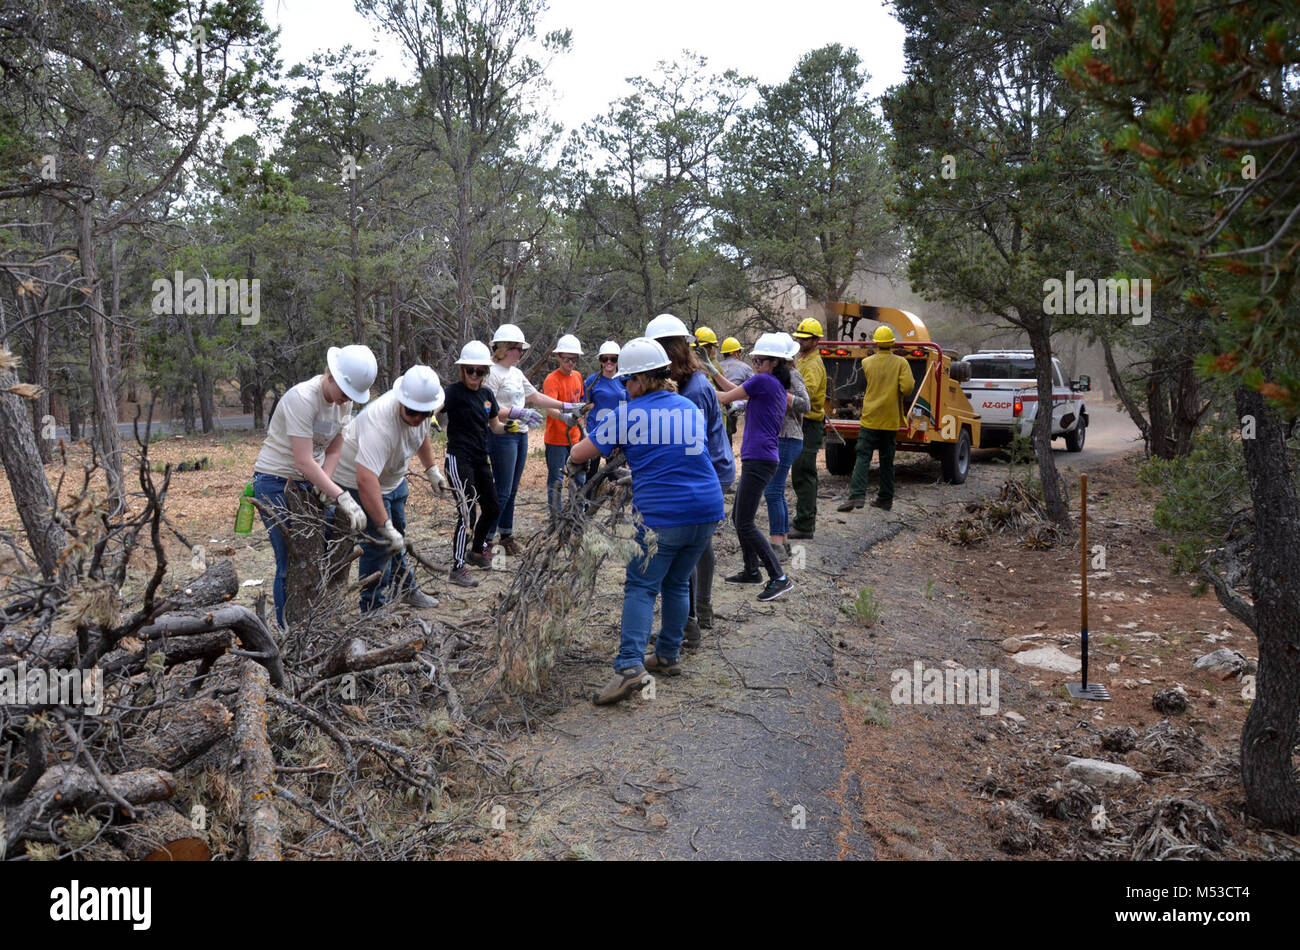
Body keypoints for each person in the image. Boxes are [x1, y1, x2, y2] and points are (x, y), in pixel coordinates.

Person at [567, 338, 724, 706]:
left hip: (663, 516)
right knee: (676, 581)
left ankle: (629, 668)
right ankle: (668, 655)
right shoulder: (688, 407)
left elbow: (579, 452)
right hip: (706, 510)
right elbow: (683, 457)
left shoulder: (626, 414)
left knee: (640, 587)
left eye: (627, 381)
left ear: (638, 380)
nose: (625, 387)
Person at [252, 344, 377, 629]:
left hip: (311, 481)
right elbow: (304, 461)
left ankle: (316, 622)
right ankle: (290, 631)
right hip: (276, 482)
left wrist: (326, 483)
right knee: (292, 560)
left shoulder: (345, 402)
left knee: (321, 553)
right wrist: (341, 496)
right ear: (331, 375)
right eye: (345, 392)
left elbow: (334, 447)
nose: (346, 400)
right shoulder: (303, 398)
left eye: (352, 396)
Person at [646, 313, 735, 643]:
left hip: (711, 469)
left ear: (669, 353)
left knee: (691, 543)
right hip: (706, 467)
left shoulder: (694, 390)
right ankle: (697, 612)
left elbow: (690, 446)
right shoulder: (685, 383)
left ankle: (692, 618)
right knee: (700, 542)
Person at [333, 365, 447, 612]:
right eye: (413, 412)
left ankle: (405, 588)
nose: (418, 418)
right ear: (401, 401)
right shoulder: (379, 424)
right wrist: (384, 525)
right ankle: (372, 608)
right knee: (379, 543)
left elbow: (422, 434)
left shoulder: (422, 409)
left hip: (393, 477)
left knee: (398, 535)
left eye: (424, 413)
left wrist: (431, 470)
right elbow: (365, 480)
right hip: (357, 479)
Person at [702, 334, 796, 602]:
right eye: (754, 359)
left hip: (760, 459)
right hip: (761, 458)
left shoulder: (764, 380)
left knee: (744, 522)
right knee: (739, 519)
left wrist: (699, 382)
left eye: (761, 360)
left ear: (775, 362)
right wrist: (711, 370)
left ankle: (778, 577)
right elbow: (734, 390)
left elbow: (724, 397)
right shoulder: (772, 383)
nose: (756, 363)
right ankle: (751, 570)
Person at [484, 323, 583, 555]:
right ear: (506, 348)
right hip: (502, 434)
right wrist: (515, 412)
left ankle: (506, 535)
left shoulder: (516, 374)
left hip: (520, 434)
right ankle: (486, 539)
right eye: (519, 348)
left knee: (513, 488)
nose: (521, 353)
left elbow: (536, 396)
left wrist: (566, 406)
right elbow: (486, 407)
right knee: (503, 489)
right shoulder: (491, 373)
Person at [442, 341, 516, 587]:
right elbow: (433, 408)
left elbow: (494, 425)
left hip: (480, 458)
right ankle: (457, 567)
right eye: (470, 370)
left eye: (480, 371)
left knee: (493, 507)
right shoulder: (452, 392)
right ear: (462, 370)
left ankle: (476, 551)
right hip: (458, 457)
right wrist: (429, 419)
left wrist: (513, 426)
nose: (475, 376)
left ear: (486, 372)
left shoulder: (486, 396)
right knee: (467, 513)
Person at [838, 325, 914, 512]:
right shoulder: (901, 363)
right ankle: (885, 499)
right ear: (892, 344)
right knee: (887, 459)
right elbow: (907, 388)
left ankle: (856, 496)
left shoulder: (867, 362)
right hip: (890, 419)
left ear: (877, 343)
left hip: (870, 418)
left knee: (863, 456)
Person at [763, 333, 810, 559]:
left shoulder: (792, 375)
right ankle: (782, 541)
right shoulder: (776, 376)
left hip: (788, 438)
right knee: (777, 491)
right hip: (783, 439)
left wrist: (785, 396)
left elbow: (805, 405)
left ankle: (777, 545)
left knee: (772, 491)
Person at [542, 333, 588, 526]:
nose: (571, 363)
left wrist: (581, 424)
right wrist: (563, 416)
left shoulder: (577, 377)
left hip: (576, 438)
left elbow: (581, 403)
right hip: (556, 439)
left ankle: (577, 515)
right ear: (558, 357)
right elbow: (548, 407)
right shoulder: (552, 380)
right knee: (557, 480)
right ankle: (556, 518)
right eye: (567, 359)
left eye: (574, 359)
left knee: (580, 477)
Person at [789, 317, 827, 540]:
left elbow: (808, 395)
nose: (801, 342)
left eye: (805, 340)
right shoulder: (802, 359)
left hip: (810, 424)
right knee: (799, 472)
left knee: (804, 472)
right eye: (799, 339)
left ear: (816, 341)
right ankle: (802, 519)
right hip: (800, 422)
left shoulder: (813, 364)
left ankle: (805, 525)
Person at [583, 341, 627, 480]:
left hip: (617, 433)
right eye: (605, 359)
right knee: (591, 473)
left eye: (613, 359)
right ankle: (587, 501)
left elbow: (631, 408)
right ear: (600, 361)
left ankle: (612, 501)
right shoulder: (592, 381)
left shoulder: (625, 380)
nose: (609, 362)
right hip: (595, 432)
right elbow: (584, 407)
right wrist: (584, 431)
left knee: (615, 474)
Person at [719, 336, 752, 448]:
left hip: (719, 404)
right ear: (735, 353)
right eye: (739, 351)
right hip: (735, 405)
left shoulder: (717, 366)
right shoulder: (745, 368)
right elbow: (754, 388)